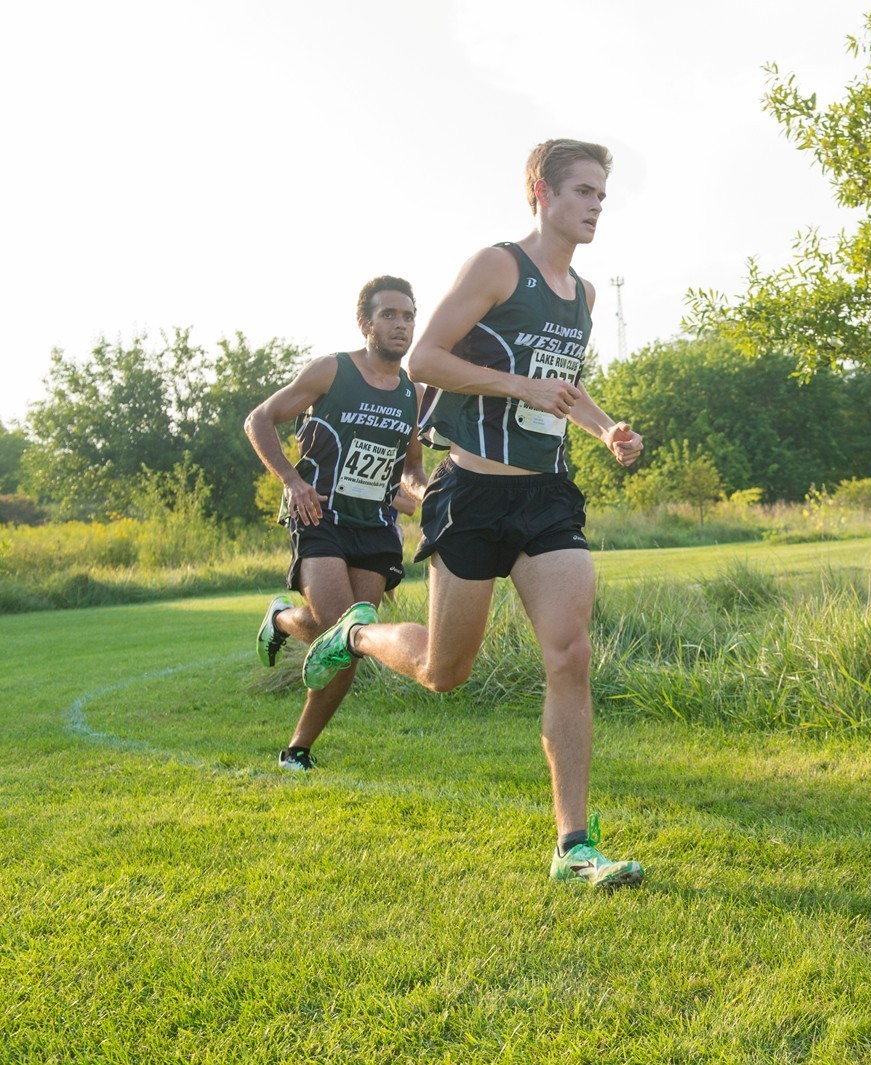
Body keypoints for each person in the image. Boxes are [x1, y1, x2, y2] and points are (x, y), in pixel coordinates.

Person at [301, 140, 646, 889]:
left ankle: (574, 846)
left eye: (601, 196)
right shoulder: (498, 266)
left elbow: (564, 387)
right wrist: (517, 386)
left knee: (571, 655)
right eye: (582, 191)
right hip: (472, 495)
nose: (594, 206)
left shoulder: (581, 297)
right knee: (443, 671)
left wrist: (605, 427)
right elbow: (424, 359)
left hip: (547, 496)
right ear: (540, 192)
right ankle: (357, 632)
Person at [245, 276, 427, 770]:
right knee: (342, 626)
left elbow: (409, 463)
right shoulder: (332, 371)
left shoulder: (413, 390)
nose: (401, 325)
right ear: (365, 322)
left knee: (349, 644)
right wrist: (290, 480)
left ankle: (297, 750)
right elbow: (259, 419)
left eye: (408, 316)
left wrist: (421, 489)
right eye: (389, 315)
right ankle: (282, 617)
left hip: (375, 526)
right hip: (319, 515)